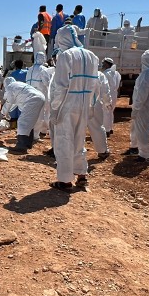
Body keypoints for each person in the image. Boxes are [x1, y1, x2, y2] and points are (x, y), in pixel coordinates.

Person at [49, 25, 100, 190]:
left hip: (67, 105)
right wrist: (91, 106)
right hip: (84, 104)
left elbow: (61, 86)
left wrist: (55, 108)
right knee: (79, 140)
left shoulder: (66, 56)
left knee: (64, 141)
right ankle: (82, 175)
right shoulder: (92, 56)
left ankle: (64, 180)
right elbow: (95, 85)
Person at [0, 77, 45, 153]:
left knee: (22, 122)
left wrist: (2, 114)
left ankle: (21, 146)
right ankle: (27, 143)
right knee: (29, 122)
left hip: (32, 99)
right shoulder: (18, 85)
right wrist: (7, 115)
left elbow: (8, 102)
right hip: (39, 97)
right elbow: (14, 104)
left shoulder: (10, 87)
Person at [25, 52, 52, 140]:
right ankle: (36, 135)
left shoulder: (30, 69)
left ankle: (28, 133)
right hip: (41, 94)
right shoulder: (43, 69)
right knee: (40, 115)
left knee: (30, 114)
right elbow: (47, 83)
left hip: (29, 94)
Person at [87, 70, 112, 159]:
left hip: (77, 103)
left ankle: (74, 154)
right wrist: (107, 103)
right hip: (94, 104)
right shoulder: (99, 74)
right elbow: (105, 91)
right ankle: (102, 151)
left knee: (76, 129)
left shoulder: (75, 71)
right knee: (97, 127)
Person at [101, 58, 121, 136]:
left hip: (107, 94)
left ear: (106, 64)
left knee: (106, 112)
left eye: (103, 64)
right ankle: (110, 128)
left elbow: (104, 86)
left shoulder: (105, 73)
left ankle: (106, 131)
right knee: (110, 111)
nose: (102, 65)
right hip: (114, 94)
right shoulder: (116, 73)